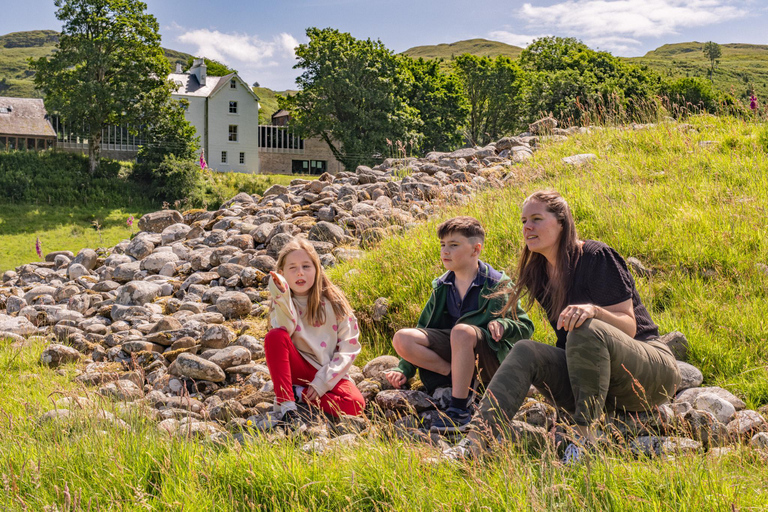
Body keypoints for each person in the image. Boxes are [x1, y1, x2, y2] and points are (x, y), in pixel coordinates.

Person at [453, 190, 681, 461]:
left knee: (585, 327)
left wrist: (593, 310)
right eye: (524, 220)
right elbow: (566, 346)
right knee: (526, 350)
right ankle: (474, 443)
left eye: (537, 219)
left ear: (562, 222)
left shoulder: (596, 256)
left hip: (649, 371)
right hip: (601, 383)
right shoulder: (540, 273)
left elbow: (629, 326)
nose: (527, 227)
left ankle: (585, 442)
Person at [384, 216, 534, 433]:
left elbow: (526, 327)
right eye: (443, 245)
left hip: (489, 363)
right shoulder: (442, 285)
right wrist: (404, 369)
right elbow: (422, 326)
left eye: (454, 245)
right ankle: (457, 378)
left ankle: (459, 411)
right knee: (402, 338)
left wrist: (503, 324)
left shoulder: (497, 284)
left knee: (462, 332)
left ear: (476, 250)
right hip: (455, 356)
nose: (445, 251)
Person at [264, 238, 365, 431]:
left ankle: (298, 393)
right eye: (292, 268)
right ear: (282, 273)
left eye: (306, 266)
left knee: (355, 404)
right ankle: (287, 406)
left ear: (317, 269)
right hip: (296, 368)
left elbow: (349, 348)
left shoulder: (334, 302)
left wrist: (321, 383)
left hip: (326, 370)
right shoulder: (282, 304)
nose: (300, 272)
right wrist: (281, 296)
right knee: (274, 336)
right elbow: (284, 331)